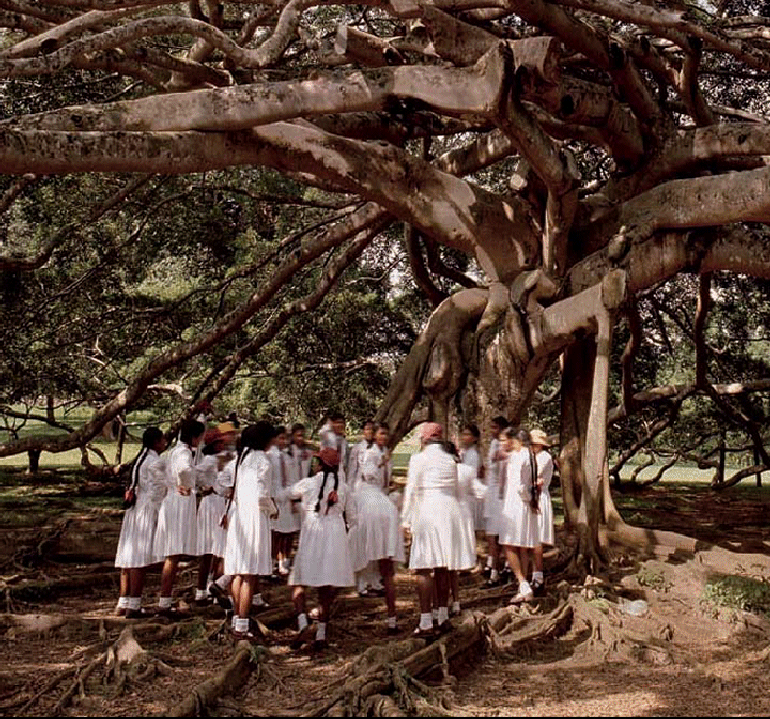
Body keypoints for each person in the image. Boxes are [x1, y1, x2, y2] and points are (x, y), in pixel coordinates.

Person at [402, 422, 474, 637]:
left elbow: (411, 490)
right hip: (449, 512)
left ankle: (426, 621)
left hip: (429, 511)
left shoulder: (418, 459)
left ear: (424, 439)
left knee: (424, 566)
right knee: (443, 565)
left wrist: (405, 519)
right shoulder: (450, 460)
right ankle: (442, 615)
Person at [283, 447, 355, 650]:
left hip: (312, 532)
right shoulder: (345, 488)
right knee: (326, 584)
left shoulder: (308, 483)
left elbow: (288, 493)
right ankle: (321, 634)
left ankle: (303, 623)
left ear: (321, 464)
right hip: (335, 534)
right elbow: (352, 517)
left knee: (299, 580)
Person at [348, 422, 404, 633]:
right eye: (381, 433)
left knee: (380, 535)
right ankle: (362, 581)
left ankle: (377, 580)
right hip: (365, 493)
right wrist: (381, 462)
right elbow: (367, 474)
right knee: (363, 535)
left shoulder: (385, 452)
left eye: (386, 433)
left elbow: (383, 479)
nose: (384, 436)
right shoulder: (370, 453)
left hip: (379, 493)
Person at [223, 421, 277, 640]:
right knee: (249, 574)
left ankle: (238, 619)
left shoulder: (242, 458)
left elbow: (223, 482)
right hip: (254, 517)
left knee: (239, 570)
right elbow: (263, 495)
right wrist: (273, 509)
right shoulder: (263, 460)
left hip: (239, 516)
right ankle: (242, 626)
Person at [153, 418, 205, 616]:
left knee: (173, 554)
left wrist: (171, 484)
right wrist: (183, 485)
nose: (200, 441)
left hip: (173, 500)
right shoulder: (183, 452)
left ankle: (165, 599)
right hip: (179, 503)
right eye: (200, 437)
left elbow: (157, 469)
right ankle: (164, 602)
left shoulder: (174, 451)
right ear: (193, 436)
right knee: (173, 554)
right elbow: (183, 470)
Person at [114, 427, 167, 618]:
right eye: (162, 440)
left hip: (134, 510)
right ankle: (134, 605)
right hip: (145, 510)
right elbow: (159, 491)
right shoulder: (155, 462)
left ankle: (123, 602)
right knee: (139, 558)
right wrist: (160, 515)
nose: (164, 443)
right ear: (155, 442)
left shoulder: (140, 458)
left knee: (128, 558)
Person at [194, 423, 237, 605]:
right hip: (215, 503)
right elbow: (195, 474)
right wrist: (205, 487)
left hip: (215, 502)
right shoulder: (213, 460)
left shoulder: (227, 457)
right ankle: (207, 589)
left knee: (213, 549)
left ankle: (207, 588)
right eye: (222, 440)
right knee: (215, 549)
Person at [499, 427, 538, 604]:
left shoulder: (518, 457)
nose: (502, 443)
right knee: (523, 546)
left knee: (509, 544)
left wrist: (526, 498)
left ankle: (522, 582)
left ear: (513, 440)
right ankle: (524, 586)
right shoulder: (527, 456)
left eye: (504, 440)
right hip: (522, 505)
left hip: (515, 505)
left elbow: (520, 486)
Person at [451, 440, 487, 615]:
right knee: (455, 560)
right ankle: (455, 602)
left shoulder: (440, 471)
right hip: (463, 515)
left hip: (446, 516)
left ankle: (440, 608)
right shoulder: (466, 471)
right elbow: (479, 491)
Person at [270, 425, 301, 576]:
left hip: (288, 496)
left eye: (286, 438)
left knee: (289, 532)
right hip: (275, 497)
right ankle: (272, 563)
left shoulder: (289, 457)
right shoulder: (269, 455)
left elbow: (293, 478)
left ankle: (285, 562)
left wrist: (295, 498)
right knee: (276, 533)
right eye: (280, 438)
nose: (284, 441)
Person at [483, 416, 509, 586]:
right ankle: (493, 567)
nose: (492, 431)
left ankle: (504, 567)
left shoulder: (505, 447)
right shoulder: (493, 444)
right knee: (491, 533)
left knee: (502, 532)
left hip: (501, 494)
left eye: (495, 428)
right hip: (491, 492)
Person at [530, 429, 554, 596]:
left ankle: (538, 576)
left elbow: (533, 476)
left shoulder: (544, 457)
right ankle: (532, 575)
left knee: (536, 539)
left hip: (539, 497)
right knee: (530, 539)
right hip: (532, 496)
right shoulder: (534, 457)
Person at [347, 419, 375, 486]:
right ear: (363, 431)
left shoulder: (380, 448)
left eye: (373, 429)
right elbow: (352, 469)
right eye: (368, 429)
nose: (370, 431)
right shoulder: (357, 448)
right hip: (360, 484)